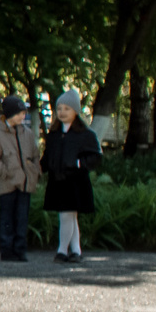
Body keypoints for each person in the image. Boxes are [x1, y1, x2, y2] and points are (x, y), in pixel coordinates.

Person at [42, 90, 101, 263]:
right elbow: (47, 157)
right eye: (59, 108)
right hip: (57, 182)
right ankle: (76, 250)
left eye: (67, 108)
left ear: (75, 111)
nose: (62, 112)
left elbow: (95, 157)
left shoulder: (86, 135)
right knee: (70, 216)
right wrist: (38, 168)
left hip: (75, 182)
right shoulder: (53, 135)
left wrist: (78, 163)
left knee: (67, 215)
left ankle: (62, 250)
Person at [0, 95, 39, 262]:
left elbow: (35, 155)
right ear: (9, 114)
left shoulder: (27, 133)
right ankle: (7, 250)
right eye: (19, 113)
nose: (22, 116)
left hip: (25, 182)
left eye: (23, 113)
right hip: (7, 184)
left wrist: (34, 171)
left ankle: (20, 249)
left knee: (22, 218)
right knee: (7, 218)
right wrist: (5, 172)